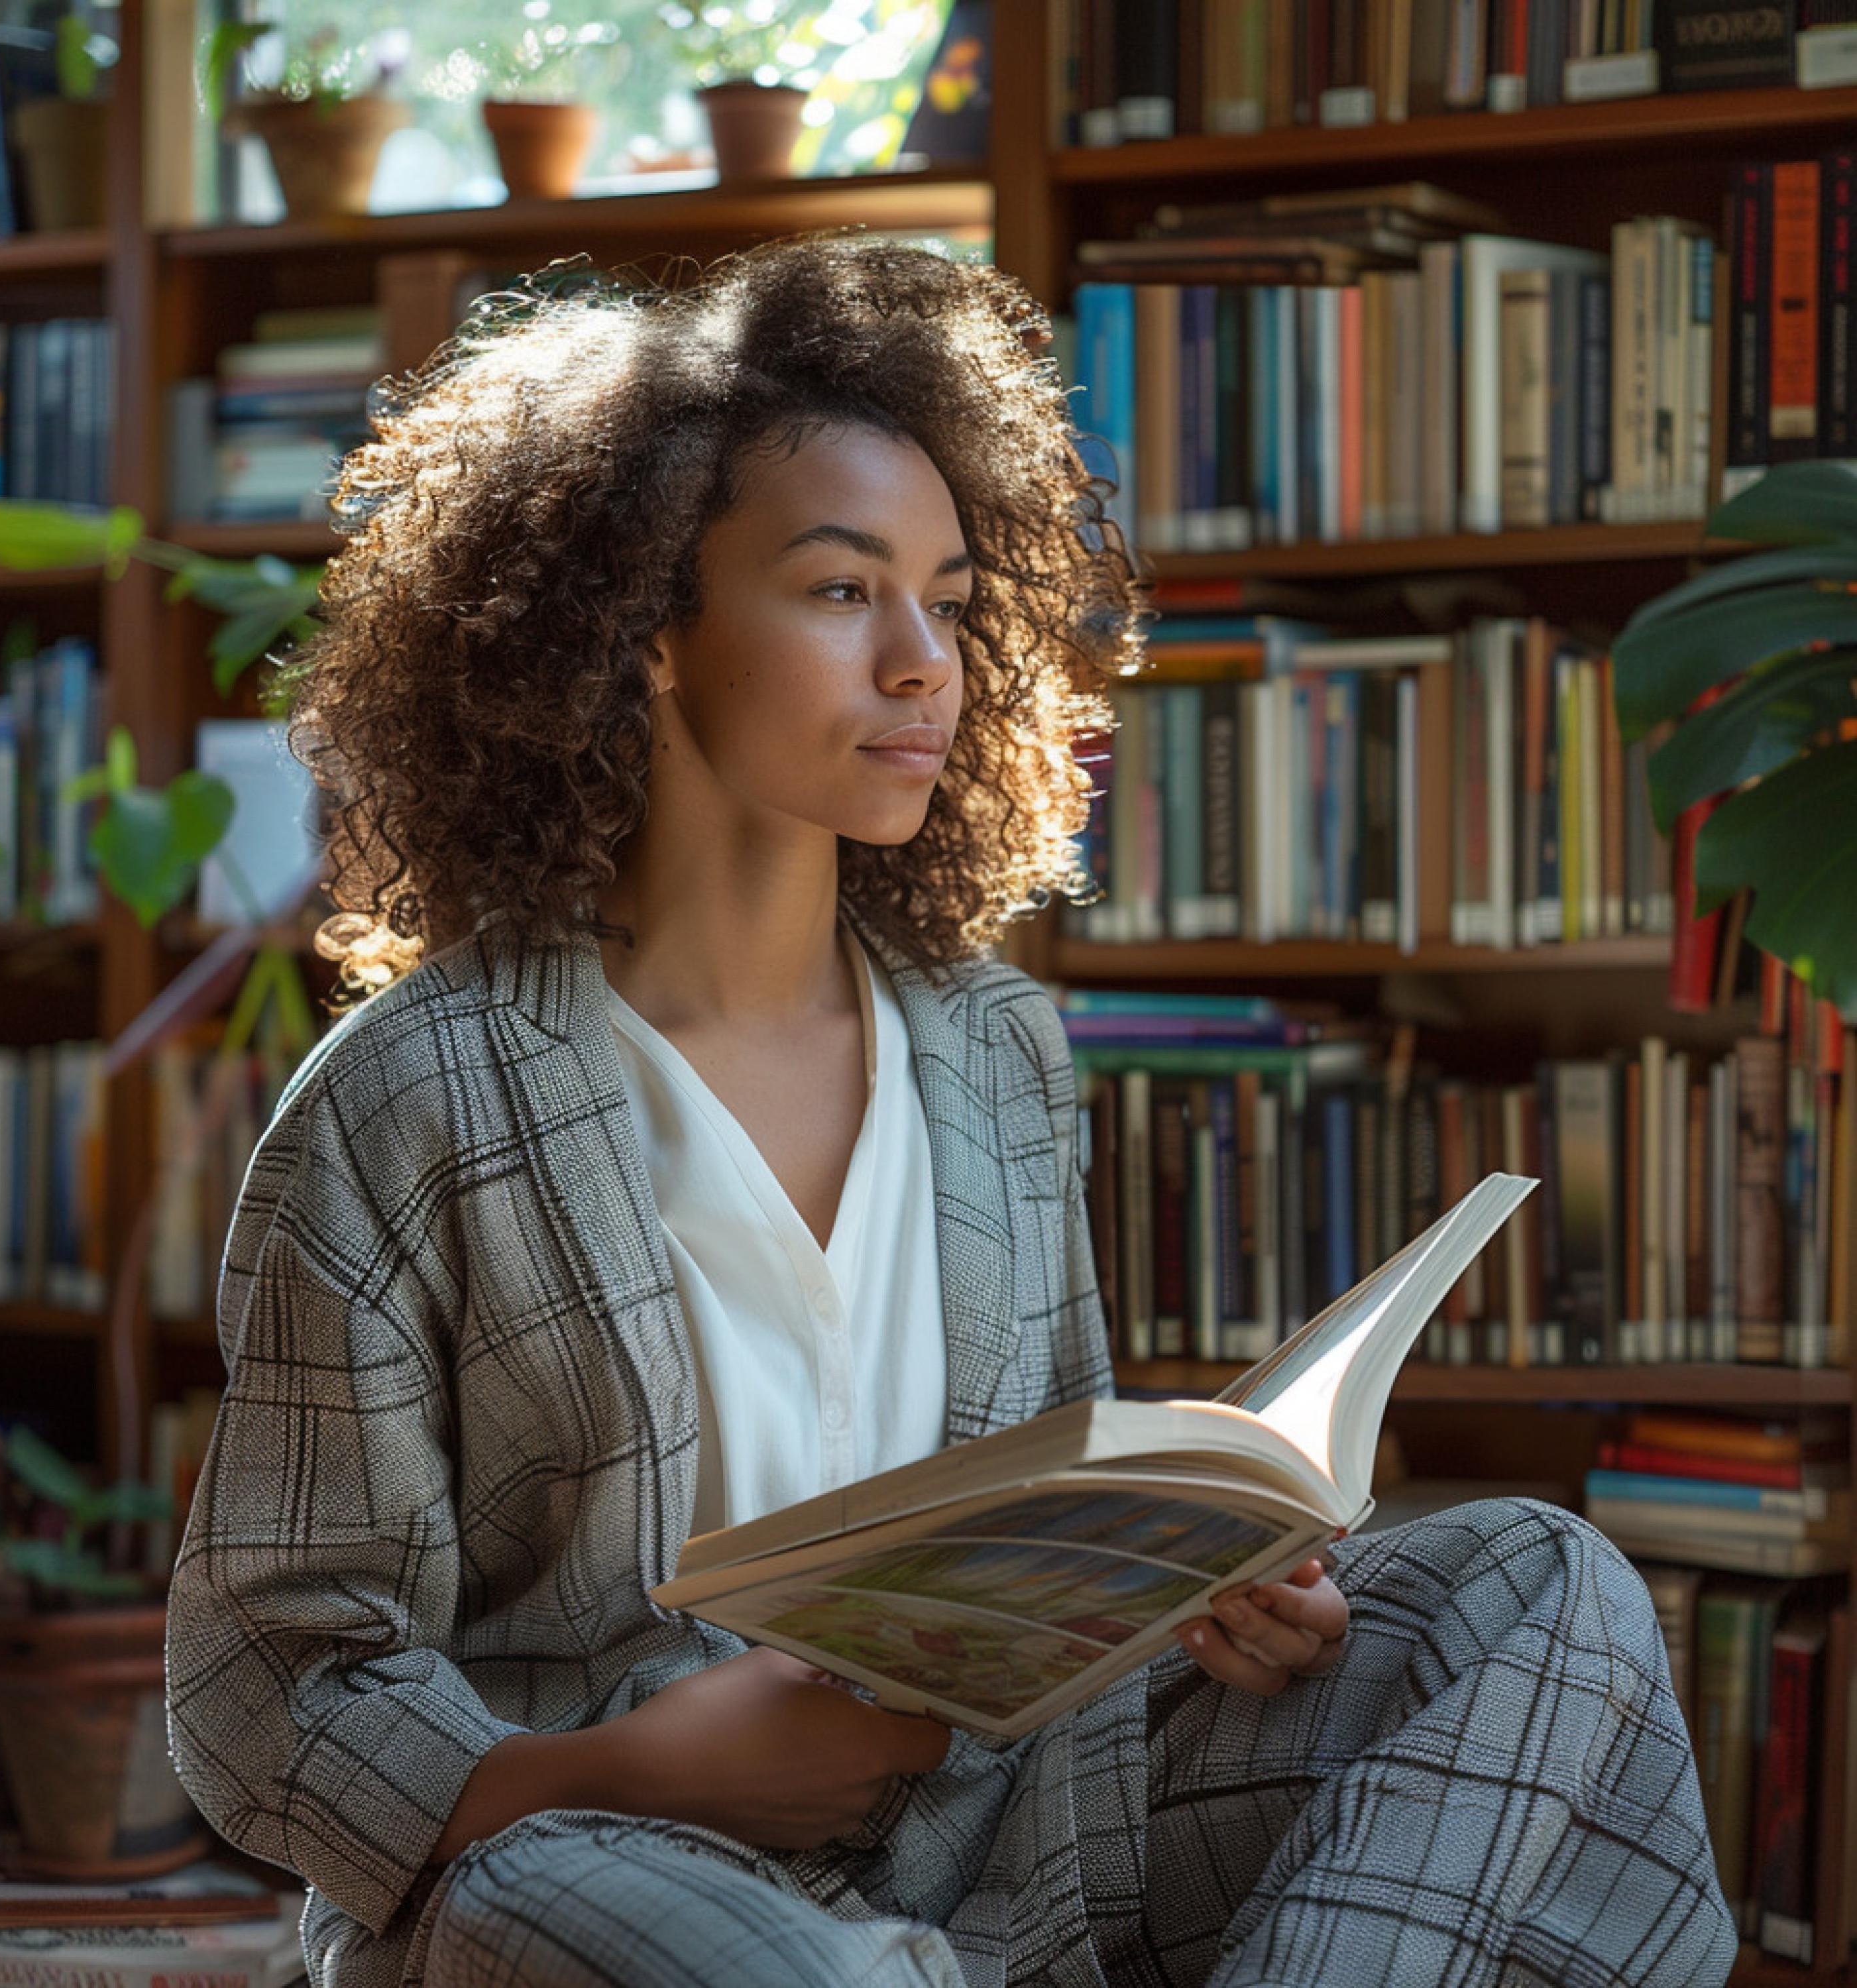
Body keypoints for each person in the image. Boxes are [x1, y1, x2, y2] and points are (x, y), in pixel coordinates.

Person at [163, 233, 1734, 1988]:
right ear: (645, 634)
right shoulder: (411, 1100)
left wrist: (1185, 1589)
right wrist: (619, 1765)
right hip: (602, 1858)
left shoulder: (995, 1049)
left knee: (1543, 1588)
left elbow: (1028, 1521)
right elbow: (271, 1679)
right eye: (844, 592)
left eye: (955, 598)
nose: (930, 662)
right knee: (617, 1929)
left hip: (1022, 1824)